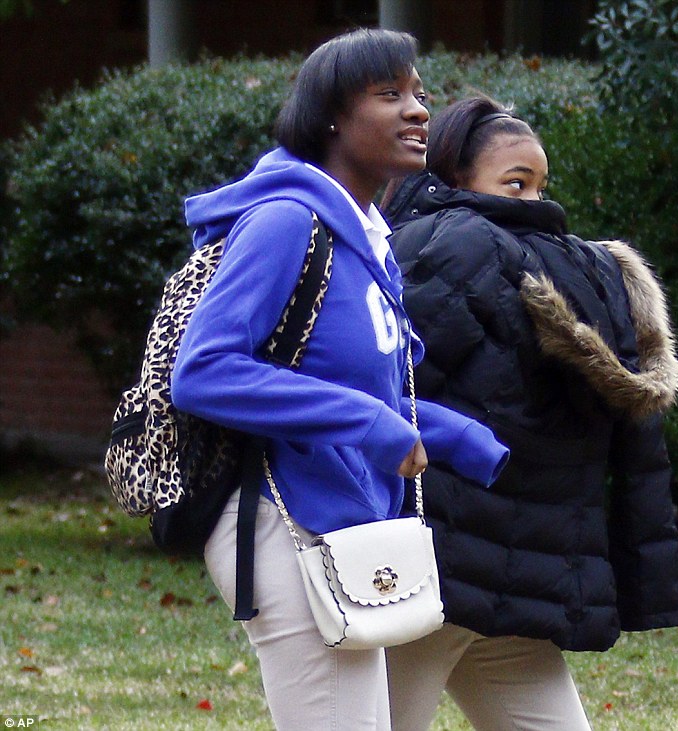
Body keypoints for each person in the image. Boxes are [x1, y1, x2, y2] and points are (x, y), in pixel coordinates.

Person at [170, 34, 508, 731]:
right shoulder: (286, 221)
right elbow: (203, 371)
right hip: (282, 520)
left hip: (343, 520)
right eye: (390, 95)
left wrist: (456, 437)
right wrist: (371, 424)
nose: (418, 111)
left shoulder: (367, 238)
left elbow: (361, 387)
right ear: (330, 117)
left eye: (419, 94)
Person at [382, 96, 678, 731]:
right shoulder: (576, 269)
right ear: (453, 179)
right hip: (502, 573)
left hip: (448, 565)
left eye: (539, 186)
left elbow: (386, 384)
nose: (534, 203)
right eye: (515, 183)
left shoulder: (449, 246)